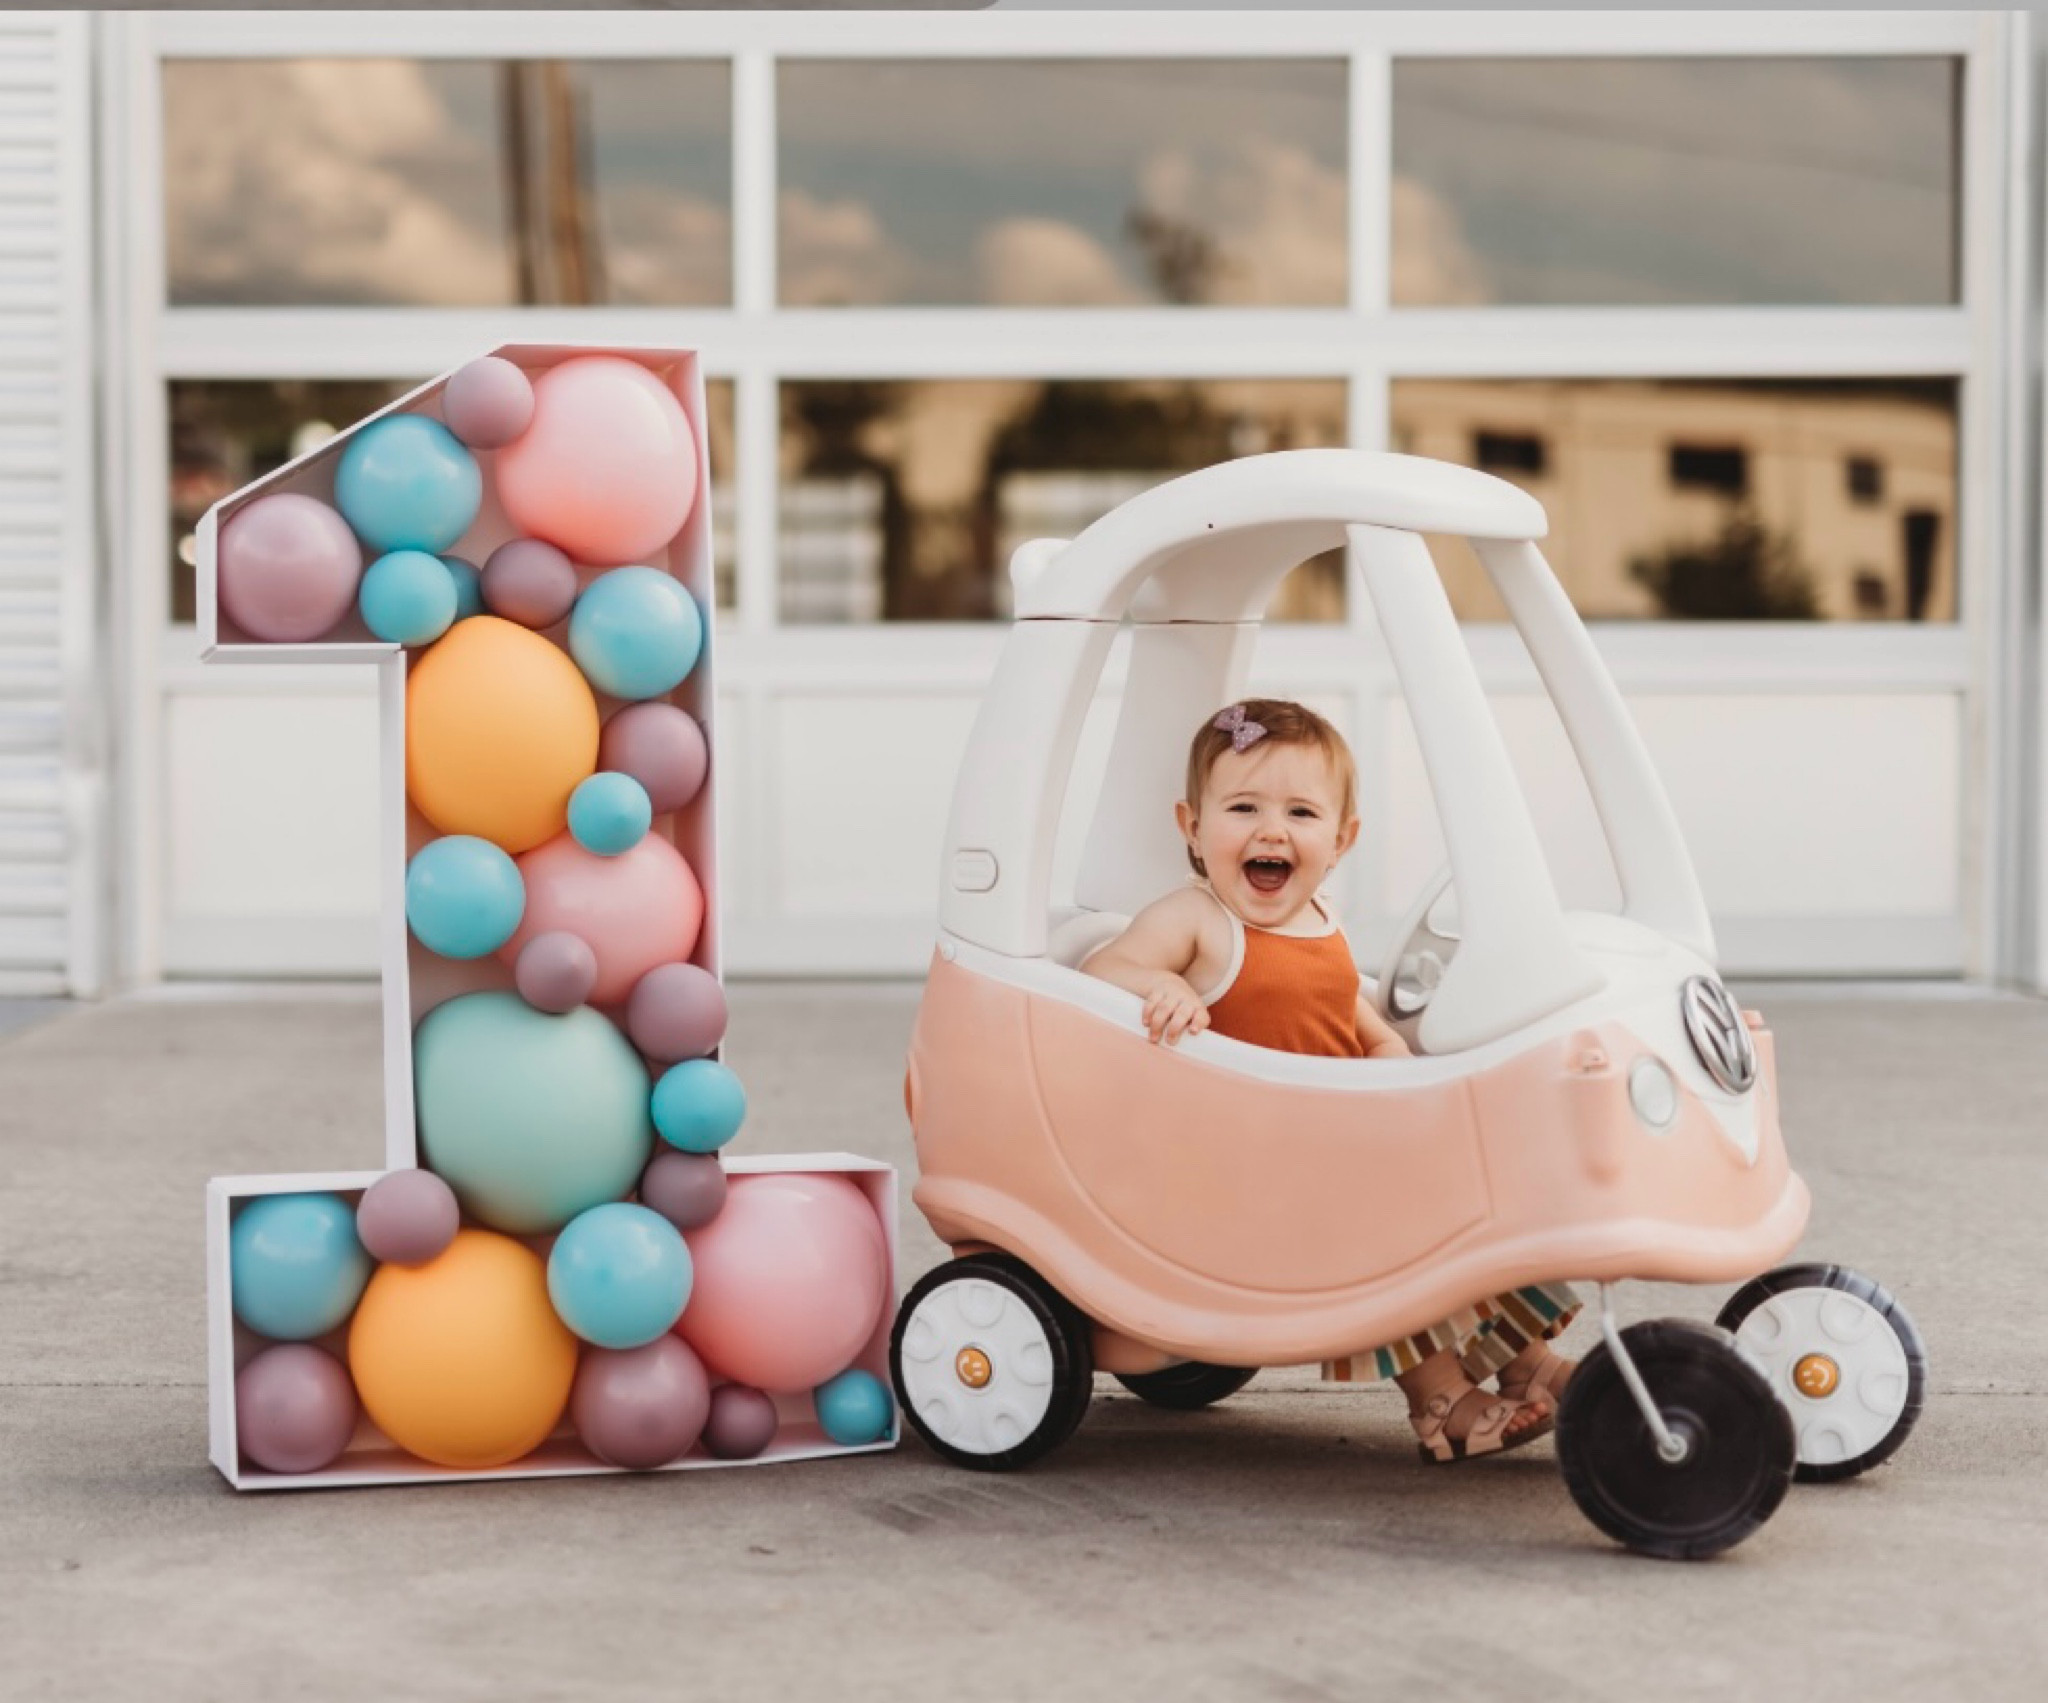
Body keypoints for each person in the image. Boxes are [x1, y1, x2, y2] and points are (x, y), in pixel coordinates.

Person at [1081, 697, 1578, 1462]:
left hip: (1332, 1139)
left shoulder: (1322, 917)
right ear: (1192, 827)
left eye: (1301, 812)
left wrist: (1386, 1052)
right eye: (1242, 806)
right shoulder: (1197, 919)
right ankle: (1440, 1399)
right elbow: (1100, 969)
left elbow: (1349, 1007)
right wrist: (1158, 984)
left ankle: (1523, 1360)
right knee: (1392, 1239)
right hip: (1257, 1171)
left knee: (1469, 1201)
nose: (1271, 830)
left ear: (1341, 839)